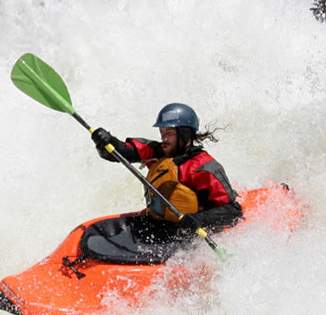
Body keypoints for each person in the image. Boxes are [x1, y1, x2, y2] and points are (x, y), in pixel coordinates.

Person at [90, 102, 242, 241]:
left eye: (169, 133)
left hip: (190, 236)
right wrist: (106, 142)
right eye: (162, 132)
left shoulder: (205, 167)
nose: (164, 138)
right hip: (159, 224)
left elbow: (233, 212)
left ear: (185, 134)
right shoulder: (158, 153)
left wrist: (199, 219)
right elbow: (122, 152)